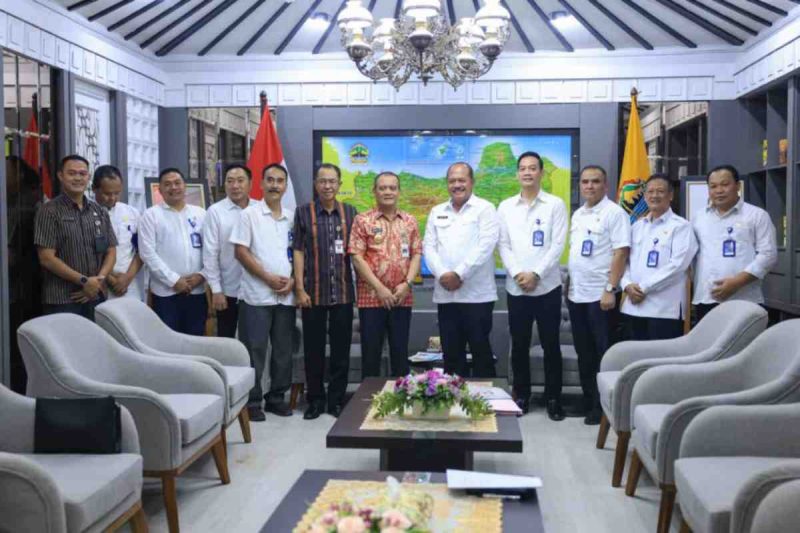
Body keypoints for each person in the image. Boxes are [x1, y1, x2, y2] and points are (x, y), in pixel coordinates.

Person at [498, 152, 568, 419]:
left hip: (547, 288)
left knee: (551, 345)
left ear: (541, 172)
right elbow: (502, 244)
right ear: (517, 174)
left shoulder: (555, 205)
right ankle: (522, 396)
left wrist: (536, 274)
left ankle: (553, 398)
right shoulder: (505, 207)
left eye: (532, 168)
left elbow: (557, 245)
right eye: (523, 169)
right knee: (520, 345)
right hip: (517, 289)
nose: (527, 173)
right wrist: (518, 274)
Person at [293, 163, 358, 420]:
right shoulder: (303, 213)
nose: (327, 186)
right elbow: (298, 251)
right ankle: (316, 401)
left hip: (342, 293)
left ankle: (336, 401)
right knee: (314, 351)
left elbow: (358, 254)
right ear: (315, 184)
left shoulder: (350, 212)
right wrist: (299, 288)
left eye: (332, 181)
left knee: (341, 351)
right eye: (323, 181)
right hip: (313, 293)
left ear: (339, 184)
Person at [231, 164, 295, 421]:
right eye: (270, 180)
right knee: (254, 348)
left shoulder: (292, 217)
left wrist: (293, 281)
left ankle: (277, 397)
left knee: (282, 349)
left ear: (286, 186)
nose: (275, 185)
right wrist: (267, 277)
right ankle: (253, 400)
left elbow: (297, 254)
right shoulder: (249, 215)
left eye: (280, 181)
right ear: (261, 183)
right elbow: (241, 252)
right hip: (256, 295)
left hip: (286, 295)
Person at [567, 165, 630, 425]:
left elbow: (621, 252)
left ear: (605, 185)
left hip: (600, 296)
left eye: (595, 182)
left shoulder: (614, 213)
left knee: (603, 353)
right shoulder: (579, 214)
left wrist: (609, 288)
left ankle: (603, 407)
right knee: (584, 352)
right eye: (585, 182)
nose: (589, 186)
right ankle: (588, 400)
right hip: (576, 294)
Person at [423, 162, 499, 378]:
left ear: (471, 182)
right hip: (447, 296)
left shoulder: (485, 209)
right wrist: (443, 274)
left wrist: (459, 274)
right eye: (452, 181)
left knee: (481, 353)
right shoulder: (436, 211)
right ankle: (453, 407)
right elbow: (429, 247)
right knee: (451, 356)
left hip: (477, 297)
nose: (457, 185)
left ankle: (487, 406)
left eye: (461, 180)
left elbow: (486, 245)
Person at [349, 171, 422, 379]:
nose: (388, 192)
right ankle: (369, 405)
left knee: (400, 356)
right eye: (383, 188)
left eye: (392, 187)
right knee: (371, 358)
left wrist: (406, 284)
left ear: (399, 191)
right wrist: (380, 289)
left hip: (402, 298)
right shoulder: (362, 220)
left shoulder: (410, 221)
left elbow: (417, 254)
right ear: (375, 191)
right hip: (371, 300)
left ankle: (400, 405)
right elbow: (356, 258)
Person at [34, 155, 117, 320]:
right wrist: (85, 281)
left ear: (88, 177)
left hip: (96, 296)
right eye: (72, 173)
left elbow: (111, 251)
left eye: (82, 173)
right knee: (64, 345)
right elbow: (47, 258)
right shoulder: (49, 211)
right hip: (63, 299)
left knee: (96, 344)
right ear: (60, 176)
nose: (78, 178)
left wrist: (97, 282)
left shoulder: (99, 211)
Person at [692, 165, 777, 322]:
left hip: (744, 299)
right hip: (706, 299)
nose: (719, 190)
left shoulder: (757, 215)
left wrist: (736, 283)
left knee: (744, 346)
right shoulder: (698, 217)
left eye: (725, 184)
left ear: (737, 186)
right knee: (707, 345)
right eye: (713, 186)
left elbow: (768, 255)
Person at [621, 174, 698, 340]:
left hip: (664, 311)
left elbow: (678, 266)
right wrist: (626, 285)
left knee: (661, 362)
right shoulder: (636, 226)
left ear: (671, 195)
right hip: (633, 308)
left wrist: (643, 288)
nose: (654, 195)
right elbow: (623, 260)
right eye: (650, 191)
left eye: (660, 191)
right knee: (632, 360)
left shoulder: (681, 227)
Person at [139, 168, 207, 335]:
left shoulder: (201, 214)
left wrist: (202, 275)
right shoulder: (151, 215)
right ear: (160, 190)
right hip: (165, 293)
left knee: (196, 340)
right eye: (167, 184)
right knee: (168, 343)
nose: (173, 187)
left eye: (177, 183)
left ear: (185, 186)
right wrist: (174, 280)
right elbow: (147, 253)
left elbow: (212, 250)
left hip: (197, 290)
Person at [203, 164, 257, 338]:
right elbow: (210, 253)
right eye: (230, 181)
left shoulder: (260, 209)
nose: (235, 186)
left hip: (256, 289)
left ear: (250, 183)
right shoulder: (215, 212)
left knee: (255, 340)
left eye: (240, 181)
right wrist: (216, 290)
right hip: (228, 290)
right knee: (227, 339)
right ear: (224, 184)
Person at [91, 164, 144, 301]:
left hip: (128, 282)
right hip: (99, 282)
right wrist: (109, 278)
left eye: (117, 193)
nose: (113, 198)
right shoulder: (87, 214)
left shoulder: (132, 213)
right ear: (94, 189)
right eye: (107, 194)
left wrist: (127, 278)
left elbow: (142, 250)